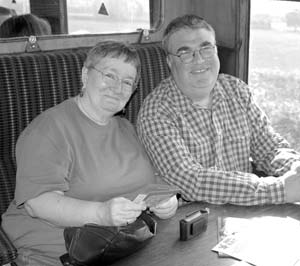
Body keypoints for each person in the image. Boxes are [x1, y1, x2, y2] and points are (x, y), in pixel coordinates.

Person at [1, 40, 178, 266]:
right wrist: (101, 213)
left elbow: (148, 182)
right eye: (109, 75)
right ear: (85, 76)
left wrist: (166, 201)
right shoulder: (50, 128)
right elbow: (38, 203)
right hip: (59, 256)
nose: (118, 88)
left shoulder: (125, 128)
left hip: (121, 247)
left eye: (127, 82)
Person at [137, 14, 300, 207]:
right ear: (170, 62)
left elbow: (269, 147)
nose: (198, 59)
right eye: (185, 52)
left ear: (216, 52)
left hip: (248, 209)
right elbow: (190, 180)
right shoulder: (155, 112)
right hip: (189, 221)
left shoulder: (237, 90)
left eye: (206, 48)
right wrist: (280, 189)